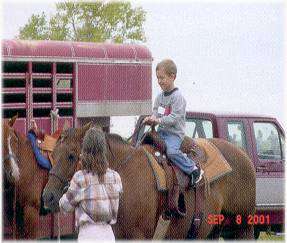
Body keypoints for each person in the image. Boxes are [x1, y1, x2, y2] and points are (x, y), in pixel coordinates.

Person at [143, 59, 204, 186]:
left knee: (171, 152)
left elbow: (174, 118)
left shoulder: (178, 97)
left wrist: (158, 120)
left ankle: (193, 170)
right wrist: (150, 119)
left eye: (162, 78)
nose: (159, 81)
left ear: (173, 76)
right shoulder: (159, 97)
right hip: (161, 132)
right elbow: (156, 113)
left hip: (174, 134)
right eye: (158, 78)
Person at [59, 127, 123, 242]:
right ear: (103, 150)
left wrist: (69, 189)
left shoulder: (80, 178)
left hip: (87, 235)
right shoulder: (116, 177)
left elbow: (65, 206)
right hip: (109, 235)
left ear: (84, 150)